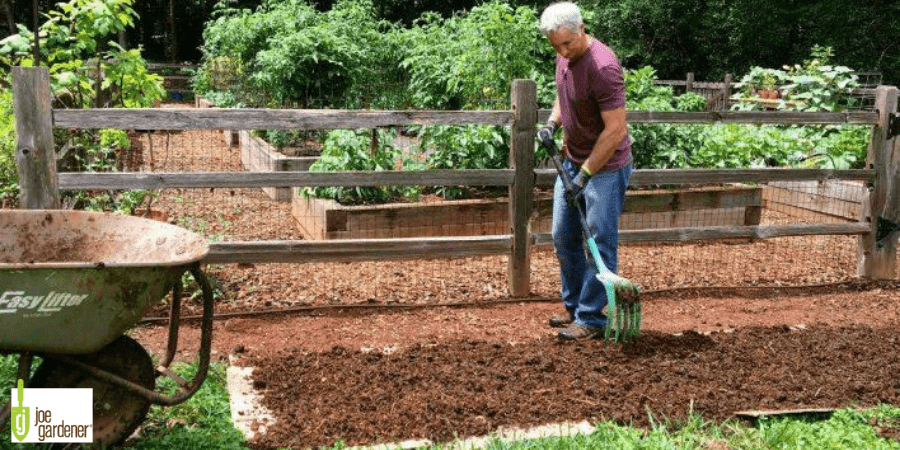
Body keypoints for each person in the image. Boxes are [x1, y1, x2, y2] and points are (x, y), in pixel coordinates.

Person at [536, 2, 632, 340]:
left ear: (582, 28)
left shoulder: (603, 66)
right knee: (563, 236)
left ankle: (592, 319)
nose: (562, 51)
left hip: (605, 167)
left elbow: (616, 129)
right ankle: (575, 306)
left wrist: (585, 175)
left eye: (567, 44)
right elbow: (564, 97)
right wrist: (551, 124)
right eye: (555, 45)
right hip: (573, 160)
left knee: (598, 241)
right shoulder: (564, 56)